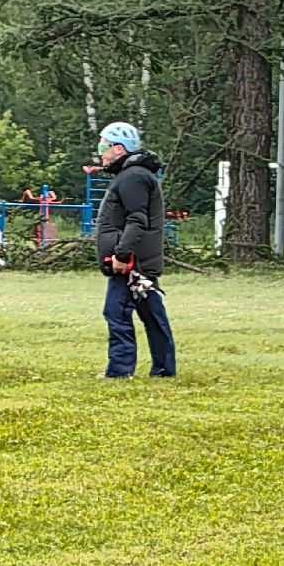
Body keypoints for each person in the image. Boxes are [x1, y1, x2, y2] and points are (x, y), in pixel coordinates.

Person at [94, 122, 176, 379]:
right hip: (138, 260)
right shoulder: (133, 175)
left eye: (102, 147)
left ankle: (119, 370)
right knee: (152, 313)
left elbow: (137, 219)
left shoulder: (133, 177)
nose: (100, 154)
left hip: (132, 262)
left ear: (118, 149)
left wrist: (121, 254)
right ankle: (164, 368)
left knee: (116, 311)